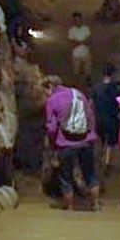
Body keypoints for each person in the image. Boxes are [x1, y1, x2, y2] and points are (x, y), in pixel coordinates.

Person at [43, 76, 100, 211]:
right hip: (86, 141)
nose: (45, 94)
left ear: (50, 86)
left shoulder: (52, 100)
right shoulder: (78, 94)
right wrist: (92, 136)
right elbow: (90, 116)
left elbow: (51, 128)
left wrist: (52, 145)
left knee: (66, 177)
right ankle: (95, 204)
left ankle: (69, 207)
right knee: (90, 174)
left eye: (45, 90)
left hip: (65, 144)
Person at [91, 63, 120, 175]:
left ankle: (98, 162)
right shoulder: (116, 88)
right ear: (113, 74)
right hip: (112, 118)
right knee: (110, 143)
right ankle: (107, 162)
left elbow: (92, 104)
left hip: (99, 118)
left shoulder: (96, 88)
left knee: (100, 141)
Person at [68, 12, 92, 85]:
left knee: (88, 70)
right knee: (76, 71)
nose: (77, 22)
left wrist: (78, 42)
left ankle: (88, 83)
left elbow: (89, 40)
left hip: (85, 53)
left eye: (79, 20)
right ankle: (77, 84)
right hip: (76, 54)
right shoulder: (71, 31)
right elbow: (71, 43)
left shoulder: (86, 29)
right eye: (76, 20)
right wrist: (82, 41)